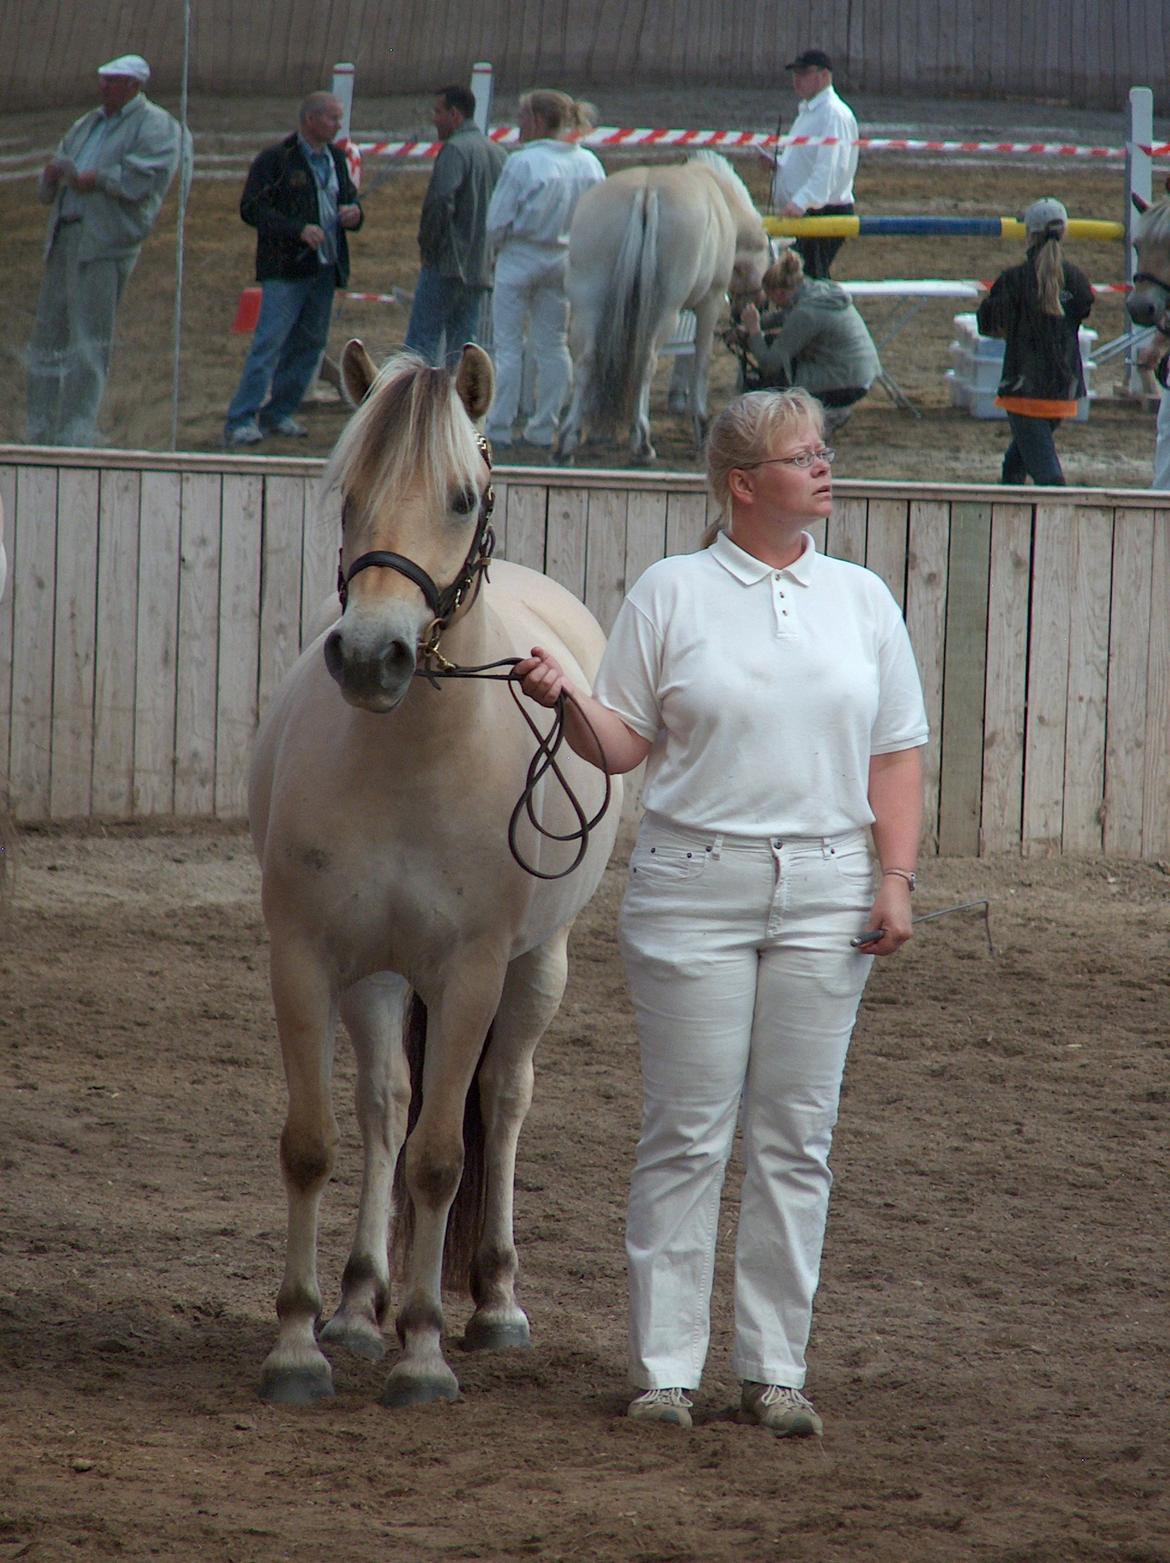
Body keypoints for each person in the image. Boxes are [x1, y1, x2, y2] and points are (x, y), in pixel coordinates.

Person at [517, 388, 928, 1437]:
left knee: (797, 1135)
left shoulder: (864, 601)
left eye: (823, 450)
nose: (826, 465)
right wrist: (568, 698)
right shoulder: (671, 594)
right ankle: (668, 1370)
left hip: (831, 892)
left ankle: (775, 1369)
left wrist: (896, 878)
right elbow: (621, 747)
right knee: (687, 1132)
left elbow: (894, 754)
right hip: (694, 888)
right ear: (744, 485)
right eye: (804, 455)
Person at [26, 53, 186, 447]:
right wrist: (53, 175)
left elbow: (146, 178)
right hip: (66, 235)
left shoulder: (157, 125)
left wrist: (97, 178)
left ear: (133, 86)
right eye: (103, 80)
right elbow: (61, 162)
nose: (103, 87)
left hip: (104, 241)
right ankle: (40, 425)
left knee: (89, 337)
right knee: (48, 333)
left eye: (112, 81)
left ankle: (77, 426)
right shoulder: (88, 123)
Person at [224, 93, 362, 447]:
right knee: (269, 342)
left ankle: (279, 411)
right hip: (286, 269)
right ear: (311, 120)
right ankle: (241, 417)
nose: (337, 125)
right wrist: (297, 229)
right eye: (332, 118)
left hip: (325, 268)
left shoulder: (336, 158)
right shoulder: (276, 160)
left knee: (310, 344)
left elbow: (348, 198)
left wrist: (354, 213)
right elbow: (251, 208)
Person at [484, 90, 605, 452]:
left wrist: (498, 248)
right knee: (553, 345)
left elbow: (496, 222)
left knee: (507, 346)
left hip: (521, 254)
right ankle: (543, 425)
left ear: (537, 120)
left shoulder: (522, 162)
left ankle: (499, 426)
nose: (518, 123)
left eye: (522, 116)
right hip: (564, 257)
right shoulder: (589, 163)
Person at [976, 197, 1094, 486]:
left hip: (1024, 391)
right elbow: (1083, 309)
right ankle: (1012, 518)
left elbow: (988, 324)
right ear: (1064, 232)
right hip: (1063, 391)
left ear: (1030, 234)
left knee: (1049, 477)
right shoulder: (1077, 279)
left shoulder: (1014, 280)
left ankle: (1056, 525)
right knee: (1016, 462)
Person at [404, 84, 507, 366]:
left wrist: (429, 247)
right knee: (462, 348)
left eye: (438, 112)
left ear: (455, 114)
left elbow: (440, 202)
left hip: (446, 264)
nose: (434, 119)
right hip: (479, 267)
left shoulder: (455, 150)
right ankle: (455, 405)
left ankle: (413, 402)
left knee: (419, 346)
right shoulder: (499, 153)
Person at [733, 249, 879, 429]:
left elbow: (770, 363)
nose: (775, 306)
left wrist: (754, 330)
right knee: (781, 353)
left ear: (779, 293)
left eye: (774, 301)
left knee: (777, 381)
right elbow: (785, 315)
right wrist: (756, 325)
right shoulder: (818, 292)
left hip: (845, 382)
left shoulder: (806, 313)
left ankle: (825, 415)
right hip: (861, 374)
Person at [771, 49, 858, 280]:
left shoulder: (833, 114)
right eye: (795, 74)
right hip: (809, 210)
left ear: (823, 76)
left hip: (823, 212)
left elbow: (829, 169)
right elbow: (808, 160)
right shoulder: (810, 112)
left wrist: (800, 202)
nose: (796, 80)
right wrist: (778, 164)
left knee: (807, 281)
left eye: (804, 73)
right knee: (803, 279)